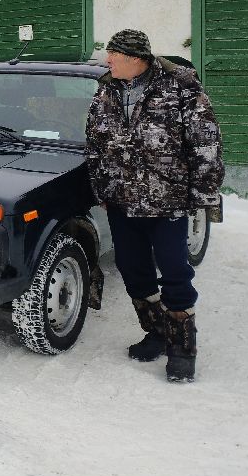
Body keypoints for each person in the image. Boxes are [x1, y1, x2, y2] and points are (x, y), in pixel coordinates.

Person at [86, 29, 224, 383]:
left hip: (167, 201)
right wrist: (100, 184)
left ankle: (182, 349)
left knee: (175, 272)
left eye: (113, 55)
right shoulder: (107, 88)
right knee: (133, 270)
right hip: (122, 200)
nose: (107, 60)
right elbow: (94, 141)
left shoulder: (180, 88)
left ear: (136, 59)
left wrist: (202, 195)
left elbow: (206, 143)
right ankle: (157, 333)